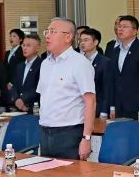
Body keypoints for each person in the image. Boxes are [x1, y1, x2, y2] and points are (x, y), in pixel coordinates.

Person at [36, 18, 96, 160]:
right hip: (45, 131)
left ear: (68, 37)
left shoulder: (80, 63)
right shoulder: (45, 64)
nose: (47, 36)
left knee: (70, 173)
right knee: (46, 172)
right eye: (47, 31)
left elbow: (90, 102)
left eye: (52, 32)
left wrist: (86, 138)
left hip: (69, 133)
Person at [105, 15, 139, 119]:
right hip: (119, 106)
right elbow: (112, 80)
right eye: (119, 26)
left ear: (134, 31)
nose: (120, 29)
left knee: (136, 129)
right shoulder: (115, 51)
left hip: (138, 106)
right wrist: (112, 106)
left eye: (124, 27)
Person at [79, 28, 109, 118]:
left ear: (96, 42)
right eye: (81, 40)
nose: (82, 43)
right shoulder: (77, 61)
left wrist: (104, 111)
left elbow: (107, 89)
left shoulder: (105, 62)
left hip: (97, 108)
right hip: (78, 108)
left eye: (86, 40)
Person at [10, 33, 43, 113]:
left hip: (35, 109)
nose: (24, 48)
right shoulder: (19, 66)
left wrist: (23, 99)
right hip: (19, 108)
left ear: (37, 48)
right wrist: (17, 99)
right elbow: (14, 86)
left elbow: (39, 87)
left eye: (28, 45)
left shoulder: (42, 65)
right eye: (23, 45)